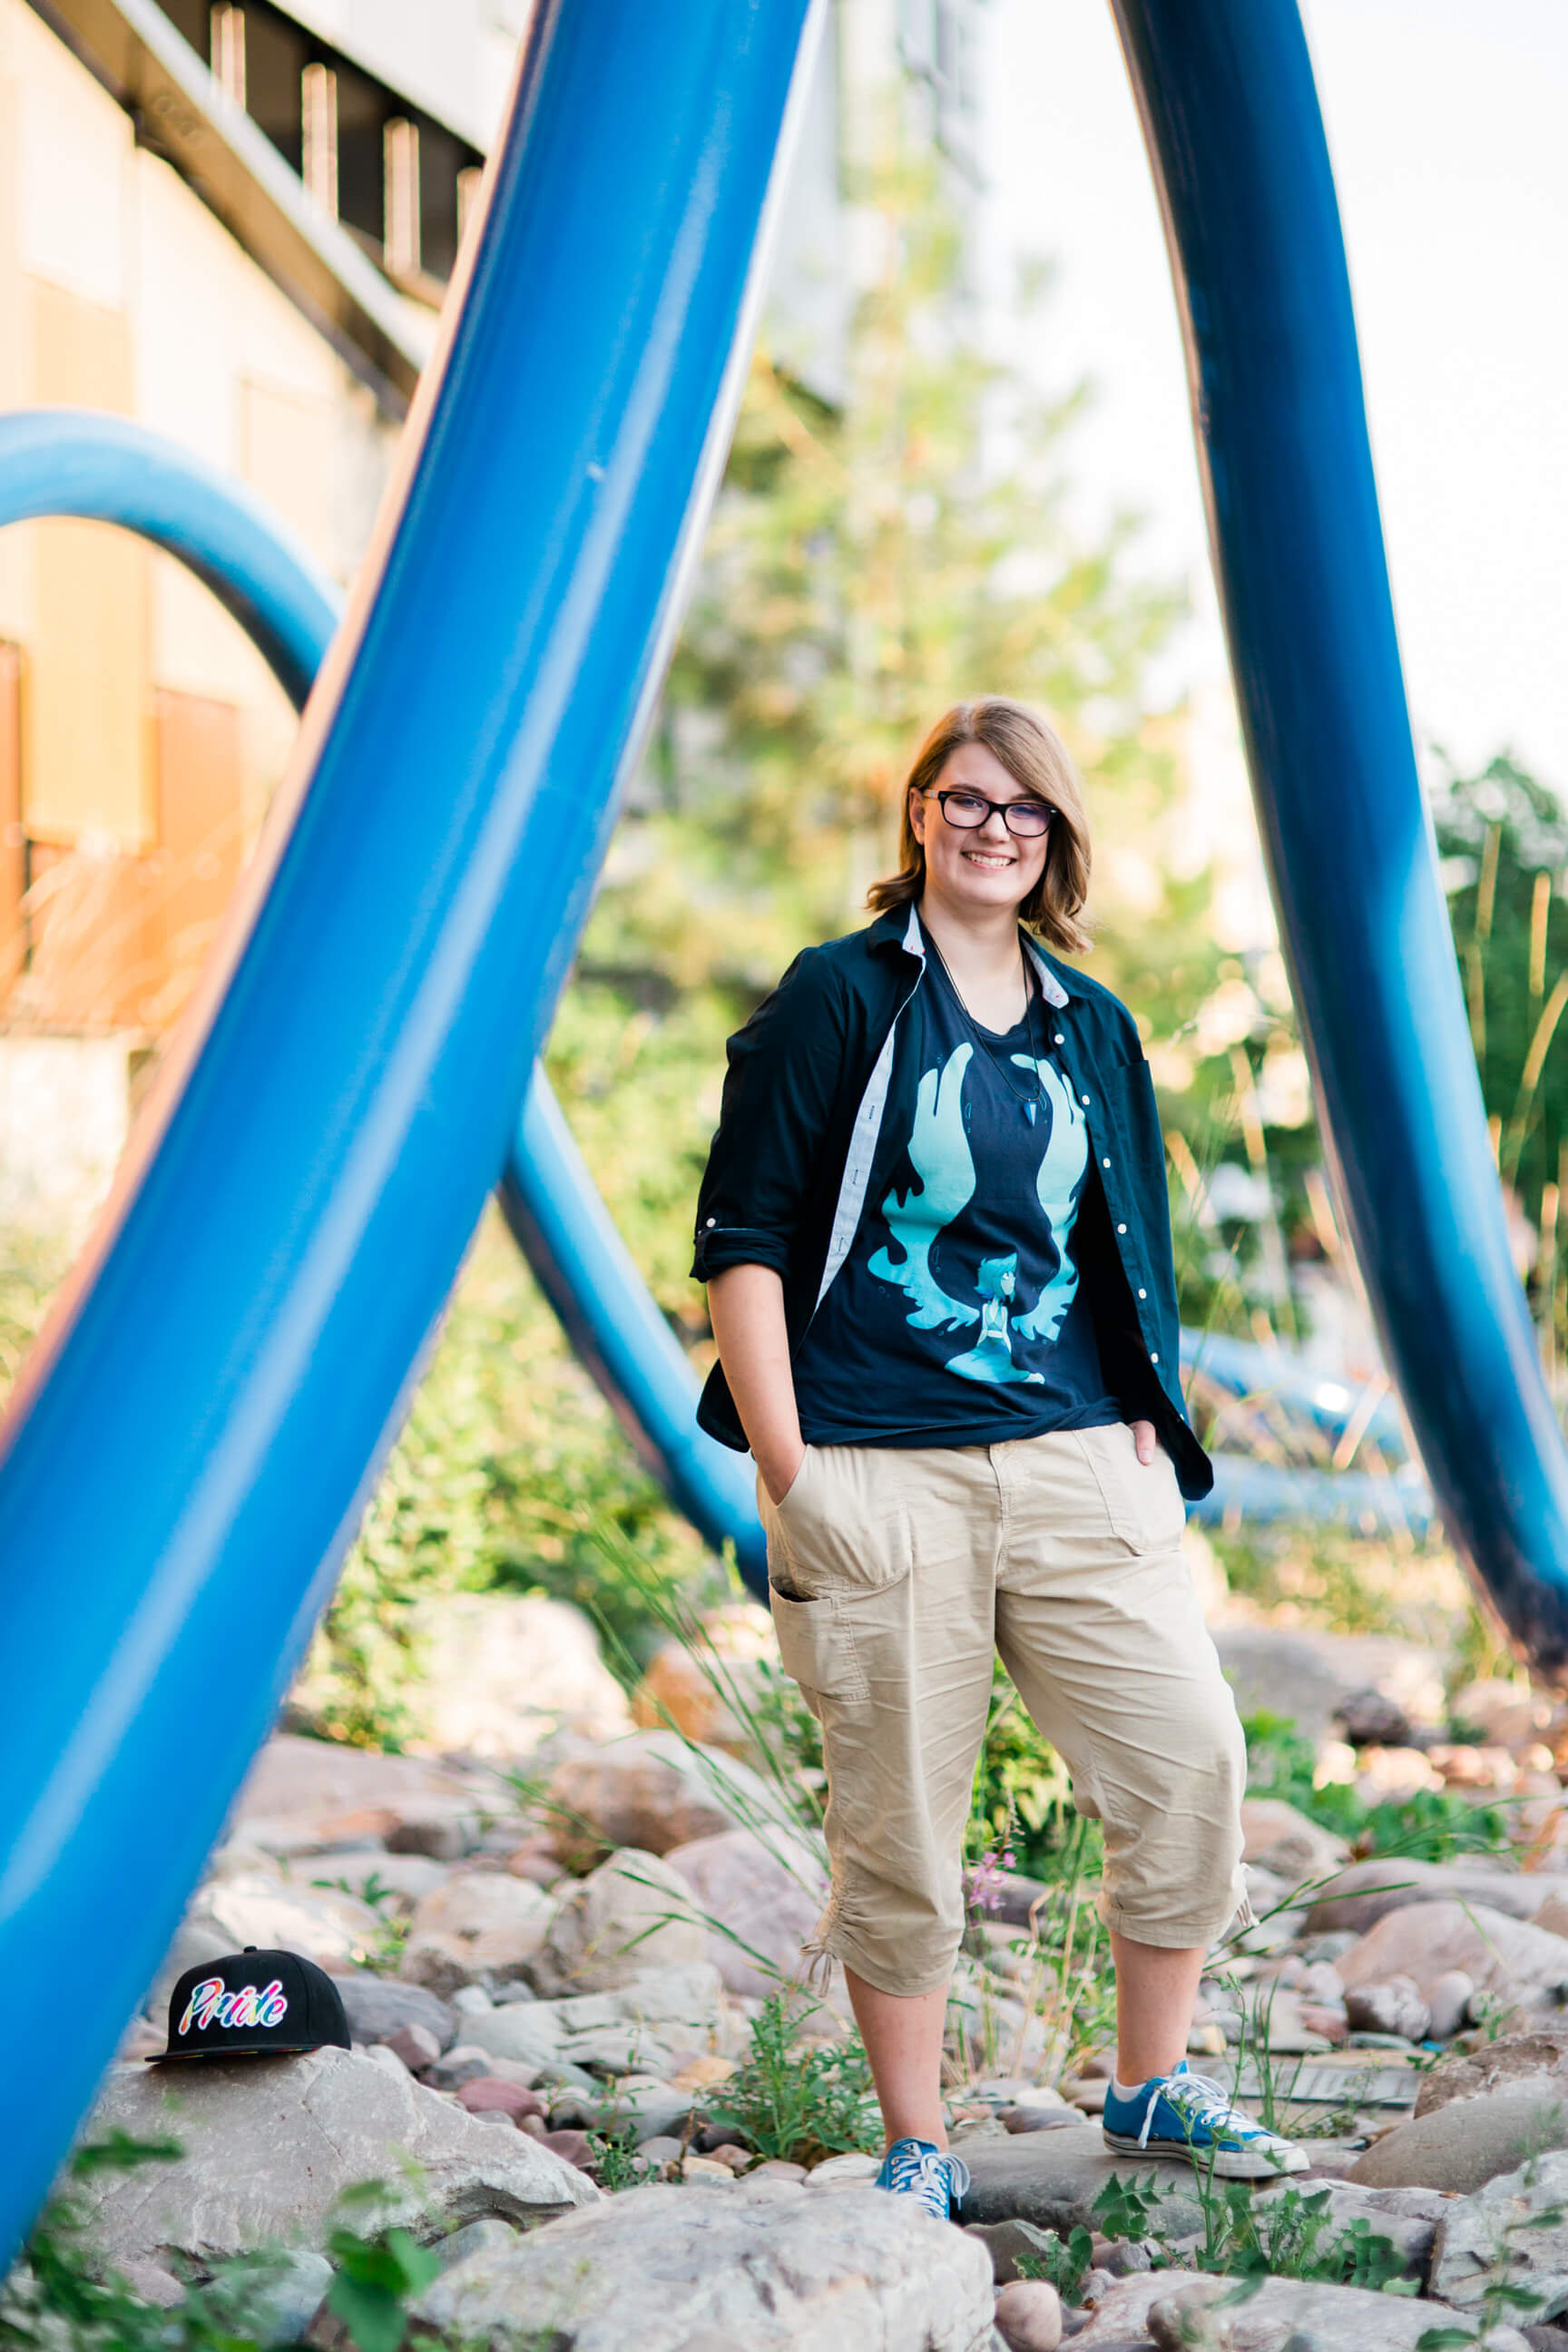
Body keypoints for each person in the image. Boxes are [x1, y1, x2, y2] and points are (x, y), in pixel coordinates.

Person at [691, 697, 1305, 2221]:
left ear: (1058, 842)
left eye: (1026, 812)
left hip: (1077, 1461)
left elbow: (1128, 1258)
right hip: (876, 1466)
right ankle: (917, 2141)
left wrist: (1150, 1441)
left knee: (1189, 1758)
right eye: (967, 800)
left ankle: (1151, 2079)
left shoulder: (1090, 1025)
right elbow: (746, 1238)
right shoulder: (837, 997)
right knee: (898, 1819)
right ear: (919, 816)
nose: (993, 831)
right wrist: (788, 1470)